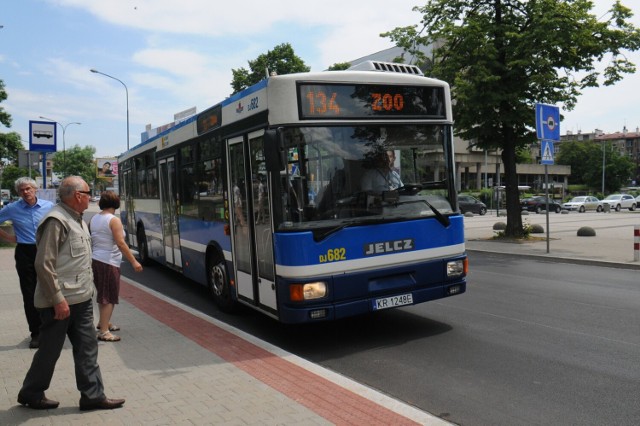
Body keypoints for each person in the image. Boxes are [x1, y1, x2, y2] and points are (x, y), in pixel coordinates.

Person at [18, 176, 125, 411]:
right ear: (78, 196)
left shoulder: (76, 219)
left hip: (82, 299)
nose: (91, 198)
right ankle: (31, 393)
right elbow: (43, 264)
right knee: (49, 351)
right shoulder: (56, 221)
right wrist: (57, 300)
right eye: (88, 193)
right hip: (61, 302)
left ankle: (92, 396)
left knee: (88, 348)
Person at [0, 177, 53, 349]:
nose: (26, 192)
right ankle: (36, 333)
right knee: (29, 293)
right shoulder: (12, 208)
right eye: (22, 190)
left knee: (50, 290)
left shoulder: (48, 206)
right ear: (18, 192)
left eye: (28, 188)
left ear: (35, 189)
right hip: (24, 252)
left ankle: (52, 329)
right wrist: (8, 237)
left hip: (45, 251)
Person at [90, 190, 143, 342]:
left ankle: (103, 323)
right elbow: (120, 242)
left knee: (103, 293)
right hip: (108, 261)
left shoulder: (94, 218)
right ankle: (104, 332)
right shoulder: (114, 220)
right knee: (109, 296)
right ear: (116, 204)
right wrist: (134, 261)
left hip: (97, 260)